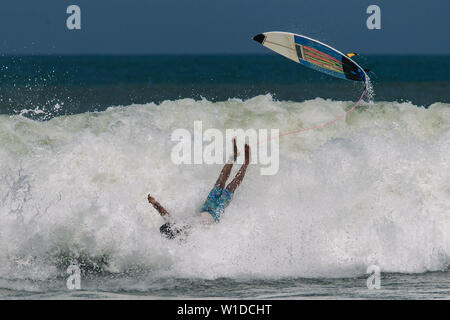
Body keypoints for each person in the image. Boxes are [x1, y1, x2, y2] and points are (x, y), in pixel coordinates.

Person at [148, 138, 250, 239]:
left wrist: (155, 203)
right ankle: (246, 163)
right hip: (215, 214)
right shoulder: (185, 239)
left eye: (172, 225)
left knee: (220, 181)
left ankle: (233, 157)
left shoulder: (178, 225)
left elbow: (165, 215)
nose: (175, 226)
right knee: (231, 186)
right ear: (174, 234)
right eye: (174, 228)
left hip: (206, 208)